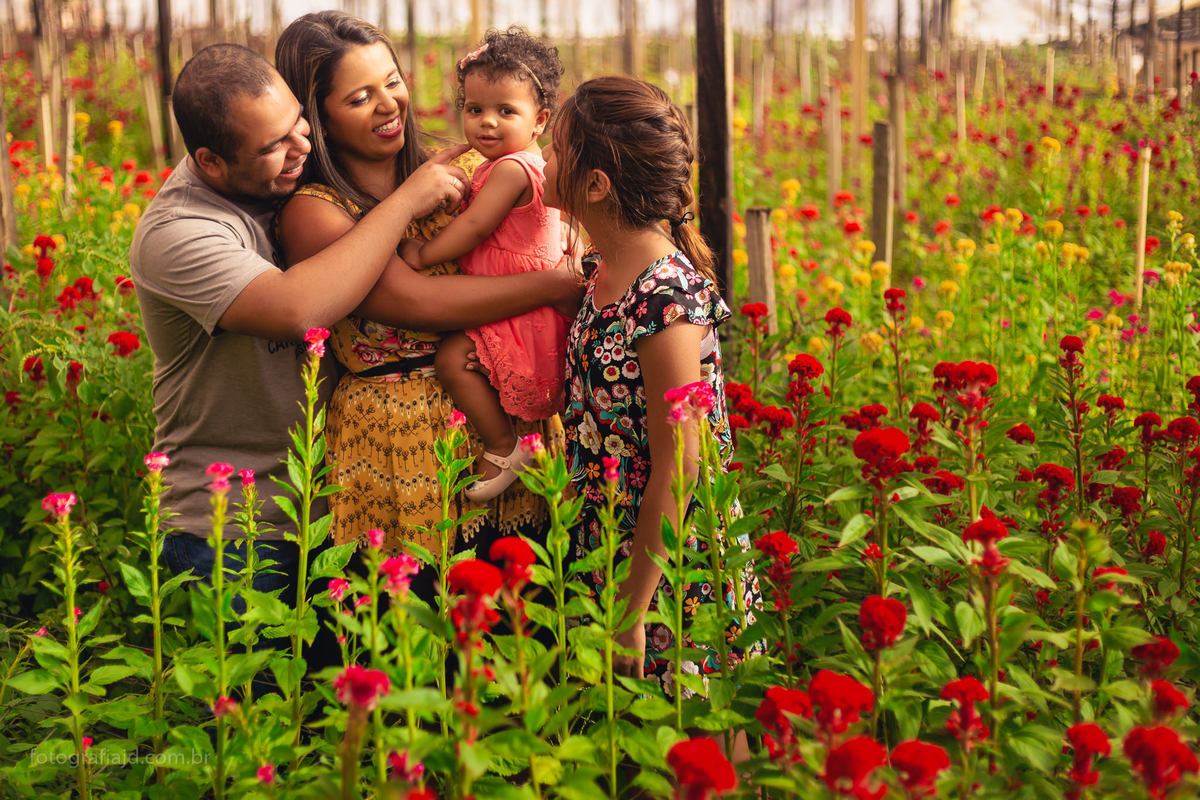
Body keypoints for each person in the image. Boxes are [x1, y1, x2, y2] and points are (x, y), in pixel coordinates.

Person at [129, 42, 471, 604]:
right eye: (272, 146)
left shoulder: (290, 183)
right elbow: (298, 310)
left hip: (336, 508)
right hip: (234, 530)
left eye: (298, 125)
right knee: (253, 688)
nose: (298, 148)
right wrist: (407, 201)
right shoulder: (180, 230)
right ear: (212, 160)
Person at [273, 12, 574, 589]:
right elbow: (415, 302)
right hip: (399, 437)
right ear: (320, 119)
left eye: (392, 82)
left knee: (524, 628)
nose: (389, 105)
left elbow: (544, 214)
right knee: (416, 627)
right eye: (360, 97)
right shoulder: (315, 209)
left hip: (504, 402)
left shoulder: (461, 166)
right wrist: (554, 285)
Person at [546, 77, 761, 689]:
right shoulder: (605, 270)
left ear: (595, 185)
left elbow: (682, 460)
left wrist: (633, 608)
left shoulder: (664, 295)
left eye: (557, 148)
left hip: (671, 565)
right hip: (611, 534)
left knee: (693, 745)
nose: (541, 158)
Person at [400, 28, 568, 503]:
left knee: (453, 359)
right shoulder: (525, 163)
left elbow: (475, 228)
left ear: (540, 120)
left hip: (516, 298)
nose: (486, 123)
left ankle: (504, 446)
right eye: (475, 110)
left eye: (505, 111)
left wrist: (424, 253)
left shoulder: (512, 169)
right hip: (519, 295)